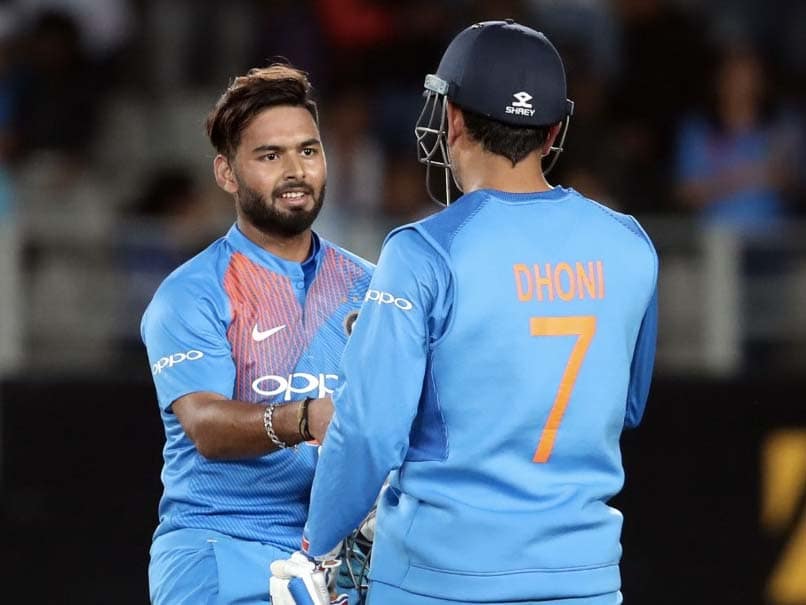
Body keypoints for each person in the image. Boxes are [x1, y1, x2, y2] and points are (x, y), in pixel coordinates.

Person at [292, 20, 658, 605]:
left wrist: (315, 547)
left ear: (453, 118)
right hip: (583, 580)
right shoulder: (630, 245)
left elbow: (369, 432)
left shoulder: (423, 251)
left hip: (439, 580)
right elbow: (625, 405)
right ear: (553, 131)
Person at [140, 64, 373, 605]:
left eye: (308, 151)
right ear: (226, 173)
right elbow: (206, 425)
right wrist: (308, 417)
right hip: (220, 549)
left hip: (337, 561)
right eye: (270, 156)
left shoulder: (371, 287)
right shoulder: (193, 292)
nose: (296, 170)